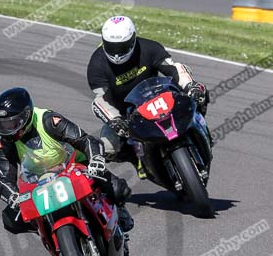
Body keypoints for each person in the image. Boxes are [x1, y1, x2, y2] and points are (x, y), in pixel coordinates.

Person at [0, 86, 133, 235]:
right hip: (37, 182)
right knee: (10, 219)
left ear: (26, 116)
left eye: (11, 124)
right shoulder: (5, 145)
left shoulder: (49, 120)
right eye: (2, 124)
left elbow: (85, 140)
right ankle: (45, 229)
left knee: (118, 189)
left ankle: (117, 212)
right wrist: (13, 197)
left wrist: (96, 159)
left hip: (74, 166)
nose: (6, 129)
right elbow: (4, 181)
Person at [87, 16, 209, 174]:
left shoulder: (149, 47)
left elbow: (174, 68)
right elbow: (101, 99)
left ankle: (201, 130)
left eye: (122, 47)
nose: (117, 54)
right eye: (112, 47)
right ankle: (138, 160)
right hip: (126, 114)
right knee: (108, 147)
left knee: (199, 91)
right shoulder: (97, 64)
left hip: (160, 98)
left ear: (132, 39)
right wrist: (115, 120)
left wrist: (190, 85)